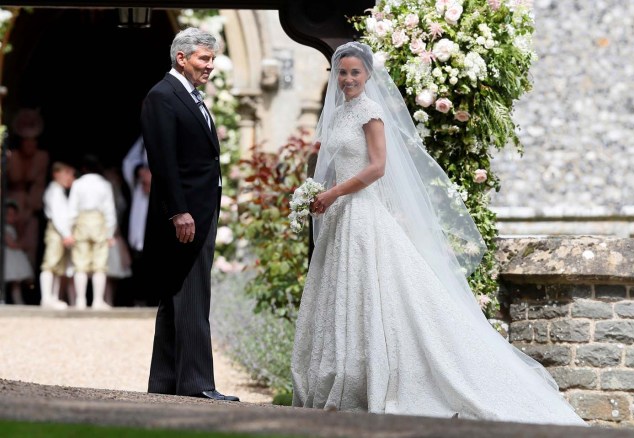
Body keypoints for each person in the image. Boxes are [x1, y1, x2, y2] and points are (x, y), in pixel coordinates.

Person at [290, 42, 586, 426]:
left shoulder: (370, 113)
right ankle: (345, 379)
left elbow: (378, 167)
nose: (347, 79)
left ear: (367, 76)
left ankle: (388, 377)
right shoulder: (339, 116)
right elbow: (334, 162)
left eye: (355, 73)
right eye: (342, 72)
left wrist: (332, 193)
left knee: (380, 293)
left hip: (362, 212)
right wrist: (315, 191)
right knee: (343, 293)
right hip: (340, 216)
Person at [141, 27, 238, 401]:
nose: (210, 66)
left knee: (177, 295)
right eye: (204, 58)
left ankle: (165, 384)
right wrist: (179, 211)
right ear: (181, 58)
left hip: (200, 210)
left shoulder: (189, 96)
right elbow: (163, 161)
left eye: (212, 59)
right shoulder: (162, 97)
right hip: (186, 215)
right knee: (193, 295)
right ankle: (198, 385)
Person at [67, 154, 117, 310]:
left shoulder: (78, 184)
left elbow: (72, 208)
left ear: (83, 168)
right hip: (99, 222)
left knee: (79, 263)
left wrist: (69, 230)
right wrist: (110, 232)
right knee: (99, 264)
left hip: (81, 222)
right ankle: (97, 301)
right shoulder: (104, 184)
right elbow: (110, 210)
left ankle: (80, 301)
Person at [6, 108, 49, 270]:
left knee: (29, 242)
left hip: (29, 206)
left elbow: (39, 184)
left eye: (33, 140)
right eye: (26, 140)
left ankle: (27, 281)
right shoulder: (12, 157)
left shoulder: (41, 158)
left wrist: (31, 208)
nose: (30, 144)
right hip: (10, 203)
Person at [122, 135, 154, 306]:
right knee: (140, 247)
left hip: (164, 197)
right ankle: (140, 297)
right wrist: (141, 172)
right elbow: (129, 162)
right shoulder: (143, 140)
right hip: (143, 199)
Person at [39, 161, 76, 309]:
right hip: (57, 230)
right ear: (56, 174)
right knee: (50, 264)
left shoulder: (59, 191)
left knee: (58, 266)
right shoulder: (54, 191)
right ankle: (46, 297)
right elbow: (57, 215)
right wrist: (66, 233)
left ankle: (53, 297)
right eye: (66, 173)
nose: (69, 177)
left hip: (61, 231)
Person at [4, 200, 35, 304]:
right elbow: (11, 244)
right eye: (8, 214)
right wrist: (22, 246)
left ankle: (18, 302)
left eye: (13, 214)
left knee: (16, 282)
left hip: (14, 258)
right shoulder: (4, 229)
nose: (11, 217)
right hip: (7, 257)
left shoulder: (14, 228)